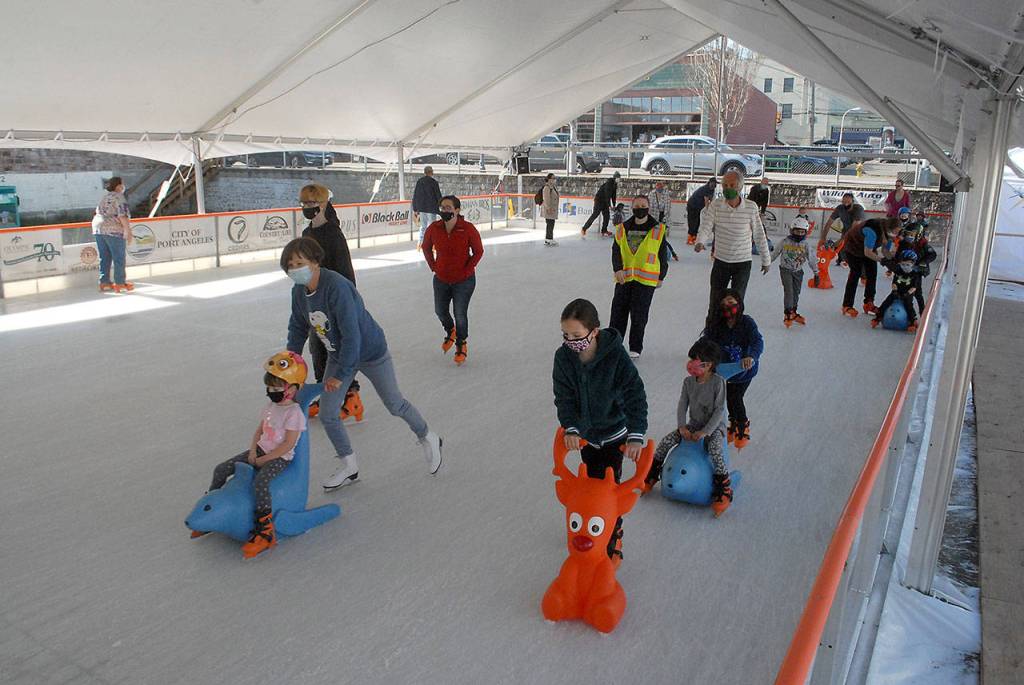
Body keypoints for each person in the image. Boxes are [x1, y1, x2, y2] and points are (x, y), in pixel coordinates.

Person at [282, 237, 443, 489]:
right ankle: (349, 465)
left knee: (394, 404)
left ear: (314, 262)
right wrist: (290, 363)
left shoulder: (336, 287)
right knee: (328, 413)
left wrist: (341, 374)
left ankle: (428, 436)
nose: (294, 269)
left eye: (299, 263)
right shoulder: (298, 293)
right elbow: (298, 327)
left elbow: (352, 333)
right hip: (338, 354)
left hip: (370, 352)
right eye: (290, 265)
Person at [554, 298, 647, 561]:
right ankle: (585, 528)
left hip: (613, 436)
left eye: (577, 335)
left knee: (608, 491)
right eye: (566, 335)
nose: (571, 341)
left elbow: (635, 396)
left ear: (594, 331)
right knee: (587, 490)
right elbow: (564, 398)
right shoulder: (563, 358)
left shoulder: (616, 357)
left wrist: (636, 435)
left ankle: (612, 533)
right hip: (586, 438)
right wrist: (571, 428)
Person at [198, 351, 308, 558]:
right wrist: (252, 450)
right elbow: (259, 431)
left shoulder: (294, 414)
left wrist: (263, 459)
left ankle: (265, 529)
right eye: (270, 387)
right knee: (221, 469)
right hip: (259, 451)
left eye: (277, 387)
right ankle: (214, 507)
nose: (272, 391)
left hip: (278, 457)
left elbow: (288, 445)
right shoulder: (270, 407)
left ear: (293, 389)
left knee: (261, 483)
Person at [644, 338, 733, 516]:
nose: (693, 365)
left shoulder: (718, 383)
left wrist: (706, 432)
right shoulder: (688, 382)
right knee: (666, 441)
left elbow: (719, 410)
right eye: (692, 360)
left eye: (698, 361)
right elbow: (682, 405)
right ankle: (653, 472)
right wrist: (682, 427)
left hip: (714, 428)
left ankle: (723, 486)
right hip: (693, 425)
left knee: (715, 448)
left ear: (709, 365)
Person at [298, 184, 362, 421]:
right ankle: (326, 395)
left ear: (323, 204)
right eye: (303, 204)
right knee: (318, 350)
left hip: (335, 303)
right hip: (315, 302)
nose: (306, 208)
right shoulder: (307, 234)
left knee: (336, 350)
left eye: (311, 204)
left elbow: (346, 273)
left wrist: (346, 305)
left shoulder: (334, 235)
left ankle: (351, 395)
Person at [695, 170, 771, 324]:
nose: (727, 188)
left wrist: (766, 259)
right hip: (721, 262)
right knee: (715, 302)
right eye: (724, 185)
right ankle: (711, 334)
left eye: (732, 185)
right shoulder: (716, 205)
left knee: (737, 303)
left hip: (742, 263)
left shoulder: (751, 207)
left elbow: (759, 234)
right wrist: (700, 241)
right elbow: (706, 226)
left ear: (740, 186)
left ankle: (734, 336)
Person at [421, 195, 483, 365]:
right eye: (442, 207)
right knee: (440, 311)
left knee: (460, 314)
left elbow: (478, 251)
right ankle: (451, 330)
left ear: (457, 210)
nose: (445, 210)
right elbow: (426, 247)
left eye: (448, 207)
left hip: (463, 281)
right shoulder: (434, 228)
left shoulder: (467, 228)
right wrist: (433, 266)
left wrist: (467, 270)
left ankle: (461, 344)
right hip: (441, 279)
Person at [701, 289, 763, 450]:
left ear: (739, 304)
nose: (728, 307)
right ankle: (734, 423)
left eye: (731, 303)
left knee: (735, 396)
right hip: (725, 370)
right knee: (730, 397)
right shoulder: (717, 325)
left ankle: (742, 423)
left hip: (744, 370)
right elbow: (705, 341)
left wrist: (751, 356)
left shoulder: (747, 323)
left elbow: (757, 341)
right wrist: (698, 356)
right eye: (724, 304)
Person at [610, 195, 671, 359]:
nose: (640, 208)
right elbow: (616, 251)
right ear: (632, 208)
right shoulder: (622, 228)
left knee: (639, 315)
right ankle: (613, 344)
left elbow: (662, 255)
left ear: (648, 208)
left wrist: (661, 276)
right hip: (625, 278)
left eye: (643, 205)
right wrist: (617, 269)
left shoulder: (658, 229)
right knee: (618, 313)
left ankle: (635, 348)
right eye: (637, 205)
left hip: (646, 281)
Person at [839, 216, 900, 318]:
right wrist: (883, 261)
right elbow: (867, 252)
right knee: (855, 273)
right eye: (895, 231)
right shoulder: (872, 230)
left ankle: (869, 302)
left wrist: (892, 262)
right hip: (852, 247)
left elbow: (885, 251)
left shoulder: (890, 234)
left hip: (868, 249)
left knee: (872, 273)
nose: (896, 235)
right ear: (889, 228)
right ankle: (847, 305)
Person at [772, 216, 818, 326]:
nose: (799, 234)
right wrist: (767, 263)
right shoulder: (785, 241)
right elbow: (776, 252)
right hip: (785, 270)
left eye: (802, 232)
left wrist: (816, 273)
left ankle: (793, 311)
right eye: (797, 231)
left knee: (796, 292)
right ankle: (787, 313)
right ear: (792, 230)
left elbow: (811, 258)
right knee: (789, 291)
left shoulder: (806, 244)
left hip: (798, 271)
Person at [91, 176, 133, 293]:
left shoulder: (104, 196)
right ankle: (120, 282)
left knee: (104, 256)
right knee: (118, 257)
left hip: (98, 228)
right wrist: (128, 231)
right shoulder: (119, 197)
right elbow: (122, 215)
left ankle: (104, 281)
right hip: (113, 229)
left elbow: (97, 211)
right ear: (119, 186)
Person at [871, 249, 921, 332]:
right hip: (897, 291)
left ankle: (912, 321)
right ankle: (878, 317)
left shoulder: (915, 274)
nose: (905, 266)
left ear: (913, 264)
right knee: (887, 302)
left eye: (907, 264)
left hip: (908, 292)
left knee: (908, 305)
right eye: (903, 264)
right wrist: (895, 291)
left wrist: (908, 293)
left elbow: (914, 287)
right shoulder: (898, 271)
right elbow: (894, 283)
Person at [819, 192, 867, 266]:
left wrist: (838, 242)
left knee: (854, 247)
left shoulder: (858, 209)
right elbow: (829, 223)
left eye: (848, 202)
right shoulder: (840, 208)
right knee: (842, 247)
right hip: (846, 230)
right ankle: (841, 259)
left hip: (860, 232)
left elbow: (853, 229)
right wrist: (823, 237)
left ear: (853, 202)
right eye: (844, 202)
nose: (846, 204)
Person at [580, 171, 620, 238]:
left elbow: (613, 196)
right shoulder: (609, 183)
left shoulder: (615, 185)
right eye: (618, 178)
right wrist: (610, 206)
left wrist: (614, 204)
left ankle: (604, 231)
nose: (619, 179)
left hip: (605, 202)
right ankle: (584, 229)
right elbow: (607, 195)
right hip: (599, 201)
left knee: (606, 216)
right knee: (595, 215)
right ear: (615, 177)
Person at [412, 166, 442, 249]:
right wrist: (441, 206)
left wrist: (415, 208)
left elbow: (415, 195)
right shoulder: (434, 182)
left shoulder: (419, 182)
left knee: (423, 226)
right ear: (431, 172)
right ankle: (432, 245)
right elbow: (438, 195)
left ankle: (420, 244)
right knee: (432, 227)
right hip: (431, 208)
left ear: (424, 172)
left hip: (422, 208)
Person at [649, 181, 679, 261]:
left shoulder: (666, 195)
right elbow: (649, 208)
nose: (659, 187)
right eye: (658, 185)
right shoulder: (652, 194)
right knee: (653, 237)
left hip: (662, 218)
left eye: (661, 186)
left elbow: (667, 208)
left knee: (661, 238)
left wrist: (665, 220)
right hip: (653, 218)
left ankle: (671, 253)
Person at [686, 177, 717, 245]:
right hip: (692, 205)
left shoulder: (712, 190)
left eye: (714, 184)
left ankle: (694, 237)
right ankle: (689, 238)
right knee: (692, 222)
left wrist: (712, 209)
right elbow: (706, 201)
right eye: (712, 183)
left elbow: (711, 200)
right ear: (709, 183)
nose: (713, 185)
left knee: (697, 222)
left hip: (698, 207)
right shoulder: (706, 189)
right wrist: (708, 211)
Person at [541, 173, 559, 246]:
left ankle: (550, 238)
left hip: (553, 208)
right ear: (549, 179)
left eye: (555, 178)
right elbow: (546, 199)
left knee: (551, 223)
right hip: (549, 209)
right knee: (549, 223)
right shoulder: (547, 188)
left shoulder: (552, 187)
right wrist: (548, 208)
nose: (554, 180)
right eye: (553, 178)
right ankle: (548, 239)